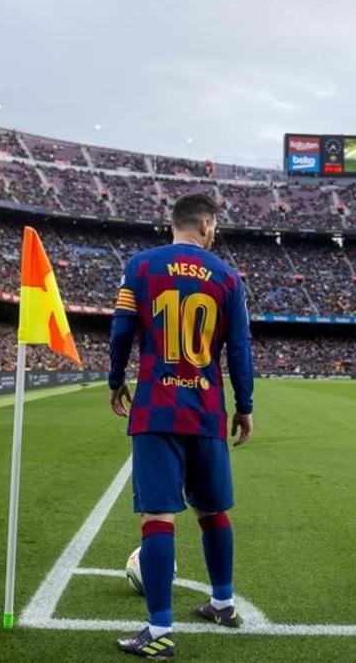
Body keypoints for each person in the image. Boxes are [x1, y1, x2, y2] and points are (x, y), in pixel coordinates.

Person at [108, 193, 255, 658]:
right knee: (212, 509)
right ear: (208, 225)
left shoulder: (141, 266)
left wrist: (115, 379)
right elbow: (240, 349)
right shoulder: (228, 277)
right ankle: (223, 602)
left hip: (157, 407)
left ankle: (158, 630)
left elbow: (122, 329)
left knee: (159, 515)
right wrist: (244, 404)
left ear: (172, 223)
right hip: (207, 409)